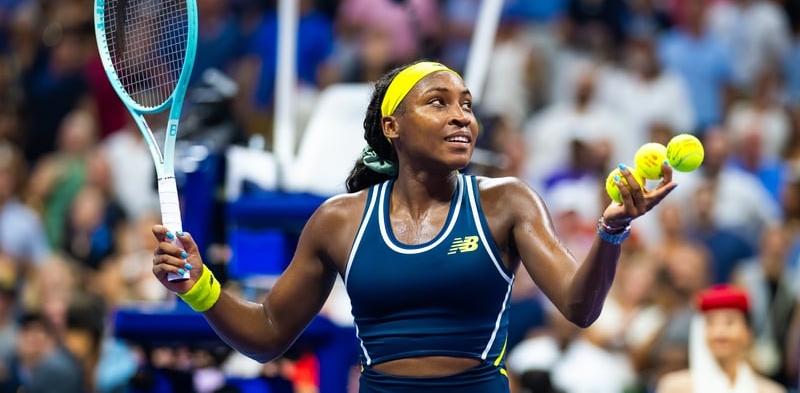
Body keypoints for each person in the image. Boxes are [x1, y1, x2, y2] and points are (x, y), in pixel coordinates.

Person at [151, 60, 677, 392]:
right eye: (439, 102)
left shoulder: (508, 201)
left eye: (467, 106)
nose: (462, 117)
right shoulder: (339, 220)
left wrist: (611, 234)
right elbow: (267, 335)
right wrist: (199, 286)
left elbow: (580, 308)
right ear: (392, 127)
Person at [655, 284, 787, 393]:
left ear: (748, 332)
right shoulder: (675, 388)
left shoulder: (770, 391)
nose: (719, 332)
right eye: (711, 324)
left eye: (729, 323)